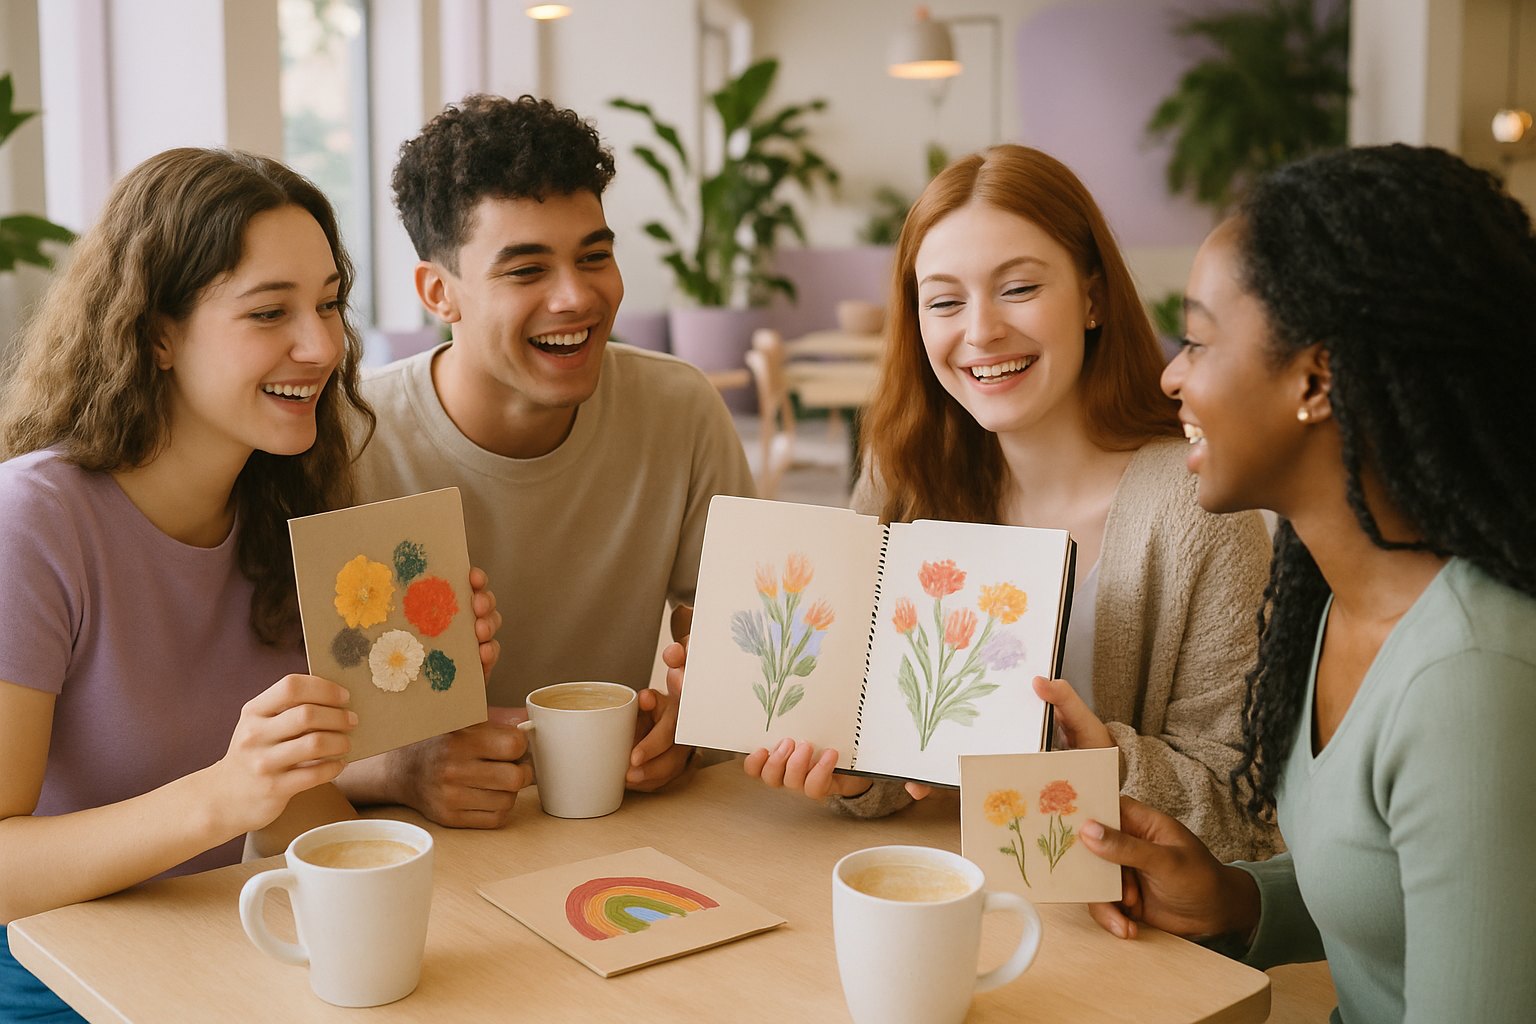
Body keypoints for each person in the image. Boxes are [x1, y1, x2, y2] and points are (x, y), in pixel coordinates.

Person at [0, 149, 501, 1021]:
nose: (320, 345)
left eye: (329, 304)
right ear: (155, 332)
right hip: (56, 981)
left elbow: (295, 804)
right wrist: (220, 795)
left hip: (226, 954)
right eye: (271, 311)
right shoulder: (32, 525)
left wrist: (424, 682)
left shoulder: (286, 504)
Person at [1078, 145, 1536, 1023]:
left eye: (1200, 341)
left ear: (1316, 379)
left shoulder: (1469, 683)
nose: (1171, 374)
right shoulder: (1326, 599)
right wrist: (1236, 899)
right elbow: (1397, 895)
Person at [743, 145, 1279, 863]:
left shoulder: (1201, 512)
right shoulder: (902, 475)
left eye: (1019, 288)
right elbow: (880, 768)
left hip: (1124, 940)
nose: (981, 330)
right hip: (930, 897)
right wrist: (846, 770)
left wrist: (1088, 760)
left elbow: (1241, 813)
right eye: (943, 301)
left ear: (1092, 297)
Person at [341, 95, 755, 828]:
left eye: (594, 256)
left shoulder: (680, 410)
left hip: (616, 832)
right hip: (422, 860)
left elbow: (754, 665)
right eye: (527, 270)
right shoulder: (348, 440)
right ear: (441, 293)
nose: (577, 297)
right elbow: (250, 724)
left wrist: (690, 734)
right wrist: (394, 771)